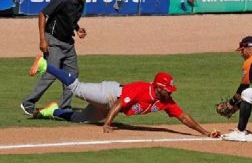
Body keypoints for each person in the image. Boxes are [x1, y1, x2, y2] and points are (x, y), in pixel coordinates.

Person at [28, 55, 220, 137]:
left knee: (79, 119)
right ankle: (46, 65)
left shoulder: (166, 101)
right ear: (159, 87)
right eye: (168, 90)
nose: (170, 93)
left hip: (111, 105)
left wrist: (205, 133)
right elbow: (119, 104)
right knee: (76, 88)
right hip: (109, 94)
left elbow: (184, 117)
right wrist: (107, 124)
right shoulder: (142, 89)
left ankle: (51, 111)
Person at [20, 0, 96, 115]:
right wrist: (42, 39)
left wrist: (77, 28)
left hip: (68, 43)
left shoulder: (80, 3)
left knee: (72, 75)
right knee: (51, 73)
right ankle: (28, 103)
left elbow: (69, 19)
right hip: (53, 41)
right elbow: (42, 15)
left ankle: (65, 107)